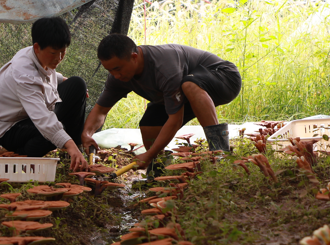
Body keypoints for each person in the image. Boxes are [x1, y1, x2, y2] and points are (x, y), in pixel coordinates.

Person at [81, 34, 241, 170]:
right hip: (185, 93)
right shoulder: (117, 77)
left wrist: (148, 155)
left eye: (118, 69)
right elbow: (101, 110)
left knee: (189, 85)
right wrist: (87, 134)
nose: (115, 75)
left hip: (224, 78)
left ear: (134, 57)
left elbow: (175, 119)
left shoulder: (164, 67)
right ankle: (161, 170)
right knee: (149, 123)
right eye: (109, 70)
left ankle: (220, 150)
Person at [0, 17, 90, 171]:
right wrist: (67, 143)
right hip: (11, 128)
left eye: (63, 52)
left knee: (77, 84)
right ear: (37, 47)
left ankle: (75, 151)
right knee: (50, 131)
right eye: (54, 53)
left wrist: (62, 79)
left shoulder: (39, 55)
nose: (59, 58)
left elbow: (43, 74)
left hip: (32, 116)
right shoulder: (23, 73)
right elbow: (42, 118)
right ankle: (23, 156)